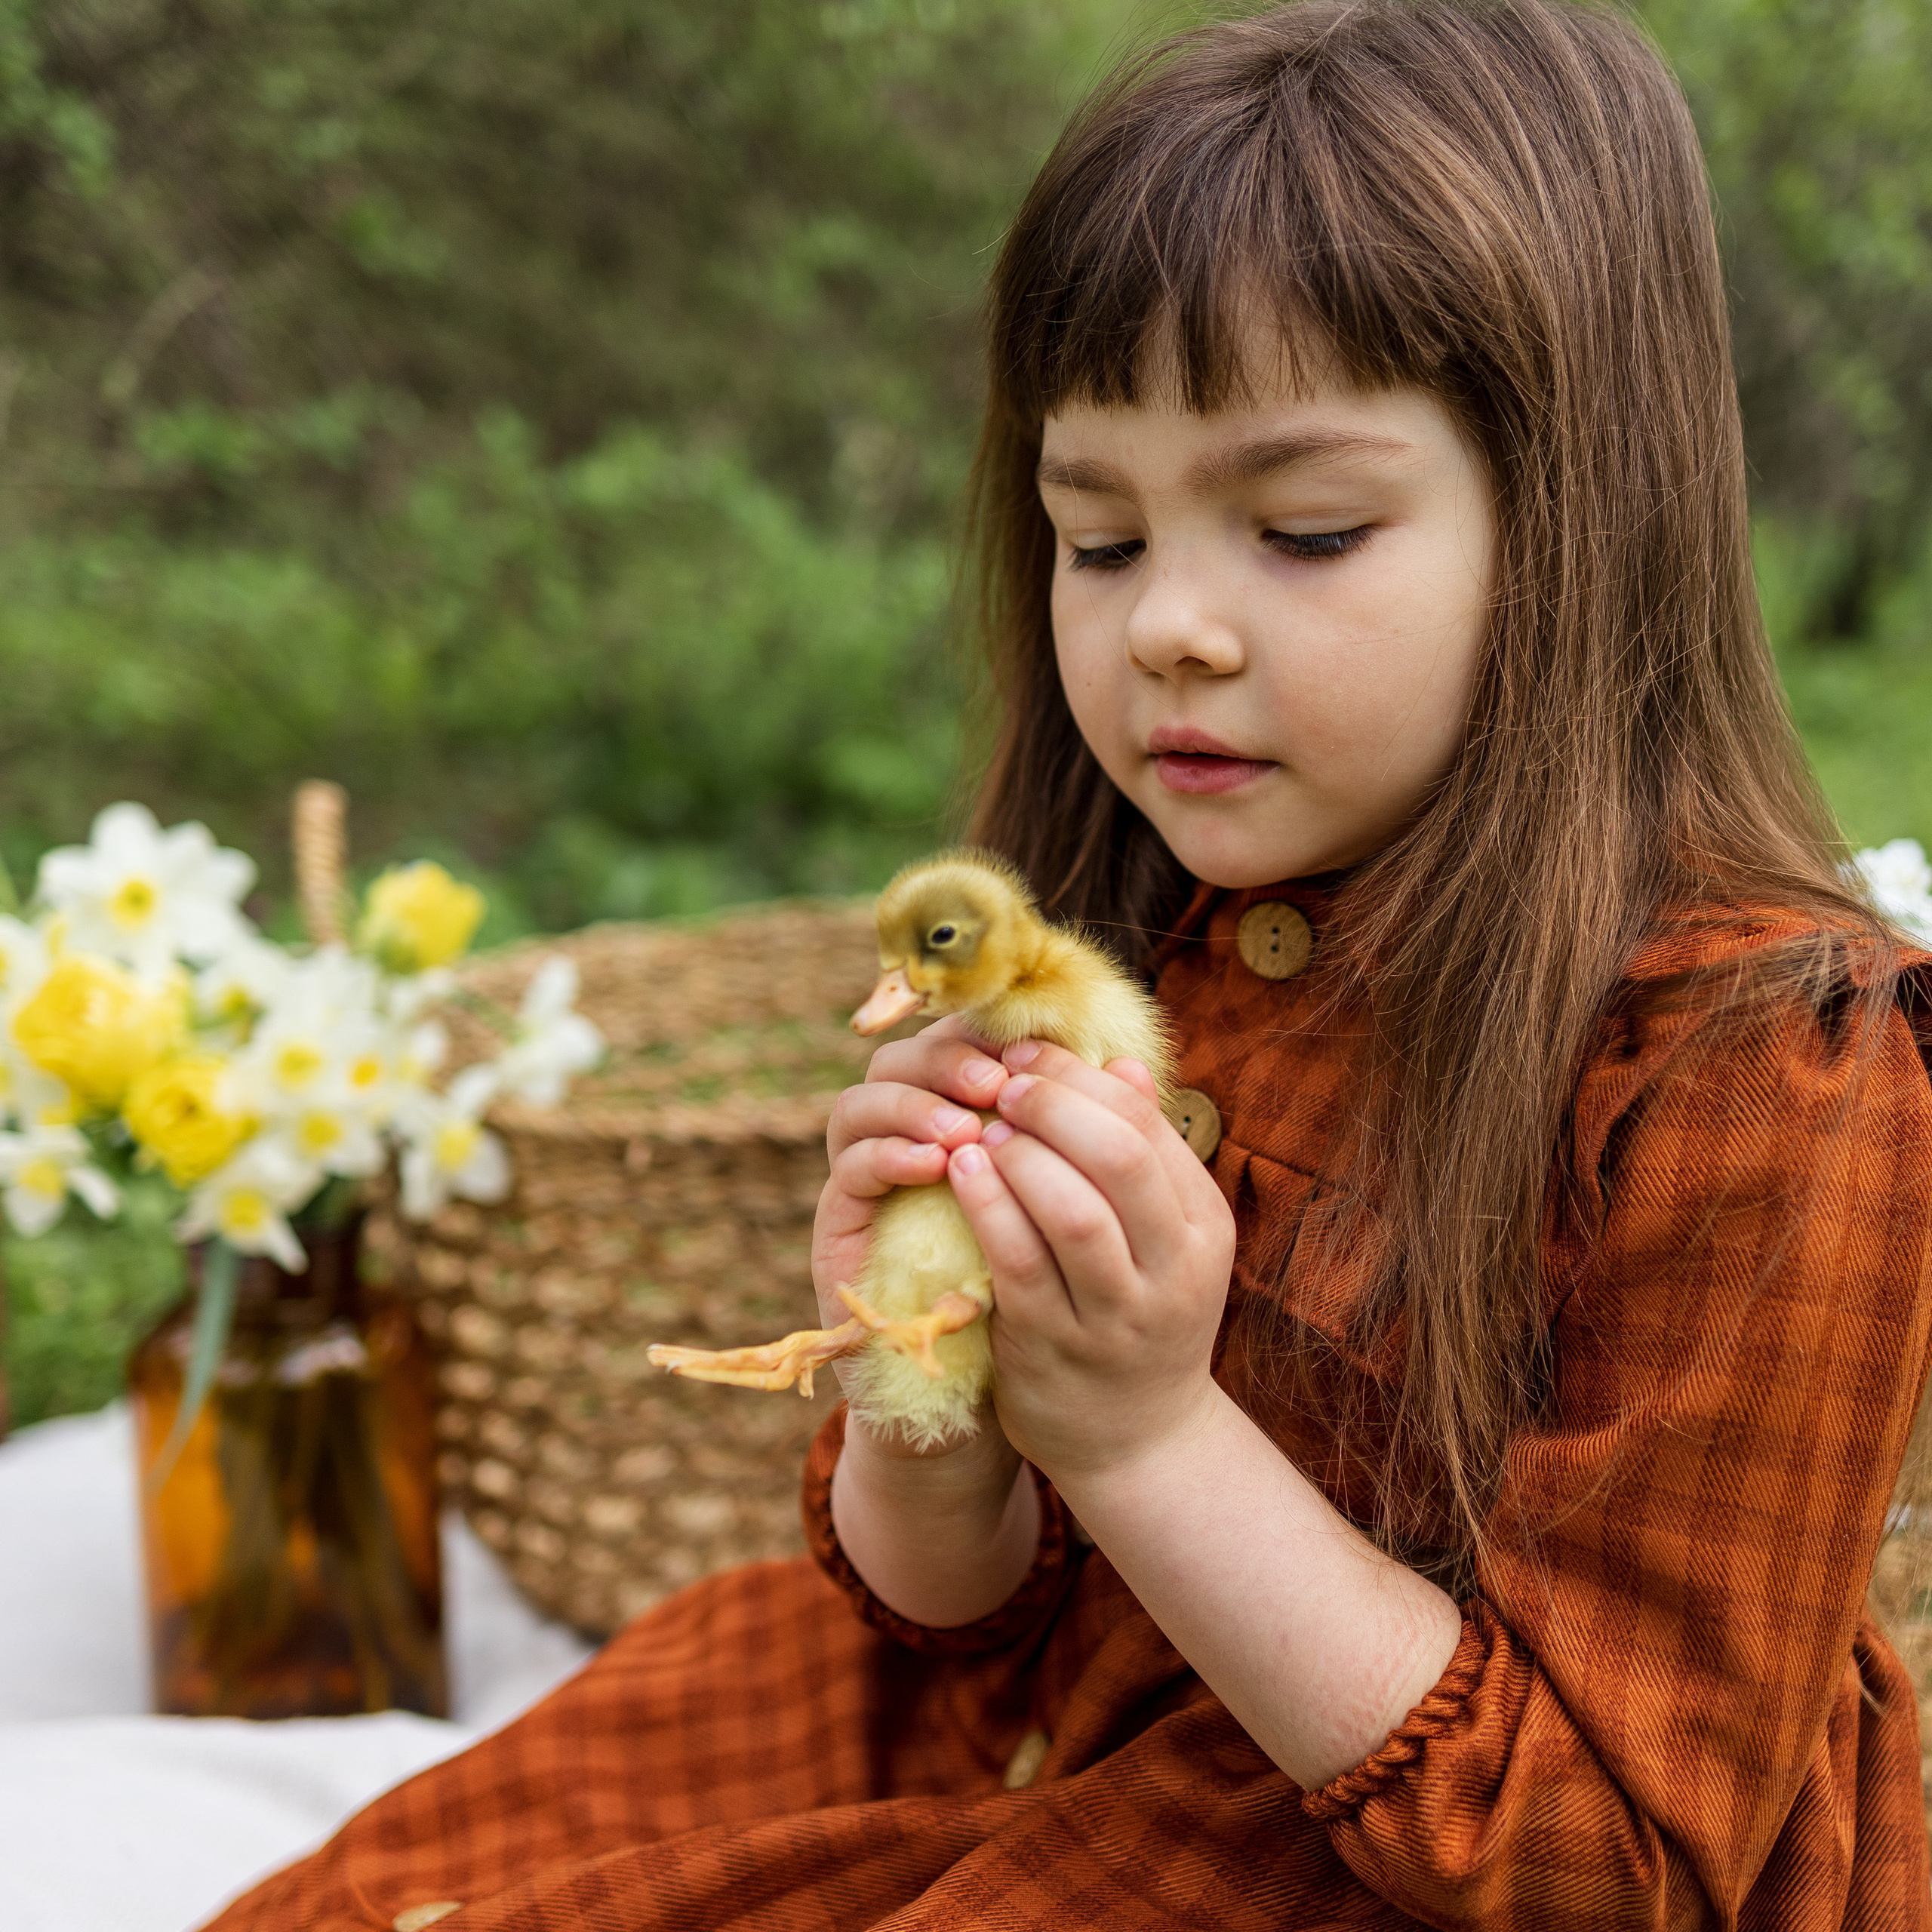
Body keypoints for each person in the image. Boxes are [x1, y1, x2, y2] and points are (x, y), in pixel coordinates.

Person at [205, 2, 1932, 1926]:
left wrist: (1140, 1425)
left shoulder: (1755, 1067)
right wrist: (913, 1387)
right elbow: (952, 1608)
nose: (1169, 626)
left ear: (1577, 520)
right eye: (1095, 536)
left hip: (1407, 1852)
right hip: (1016, 1720)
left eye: (1301, 528)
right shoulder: (1111, 936)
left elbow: (1611, 1860)